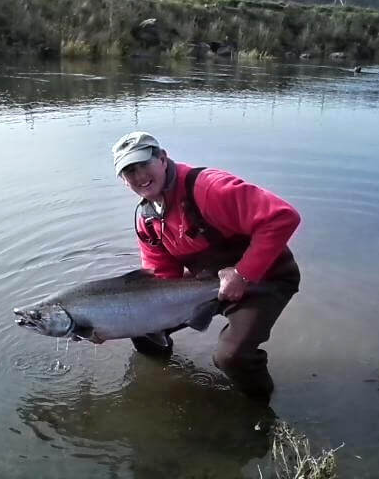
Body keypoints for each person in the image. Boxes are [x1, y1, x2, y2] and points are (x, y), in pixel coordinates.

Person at [112, 131, 301, 402]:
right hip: (206, 286)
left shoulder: (210, 189)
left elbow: (283, 218)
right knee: (142, 330)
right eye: (130, 171)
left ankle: (261, 408)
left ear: (163, 159)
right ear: (123, 180)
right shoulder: (147, 220)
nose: (140, 176)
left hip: (266, 280)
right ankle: (162, 389)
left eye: (144, 164)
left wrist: (243, 274)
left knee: (232, 357)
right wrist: (108, 325)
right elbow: (164, 277)